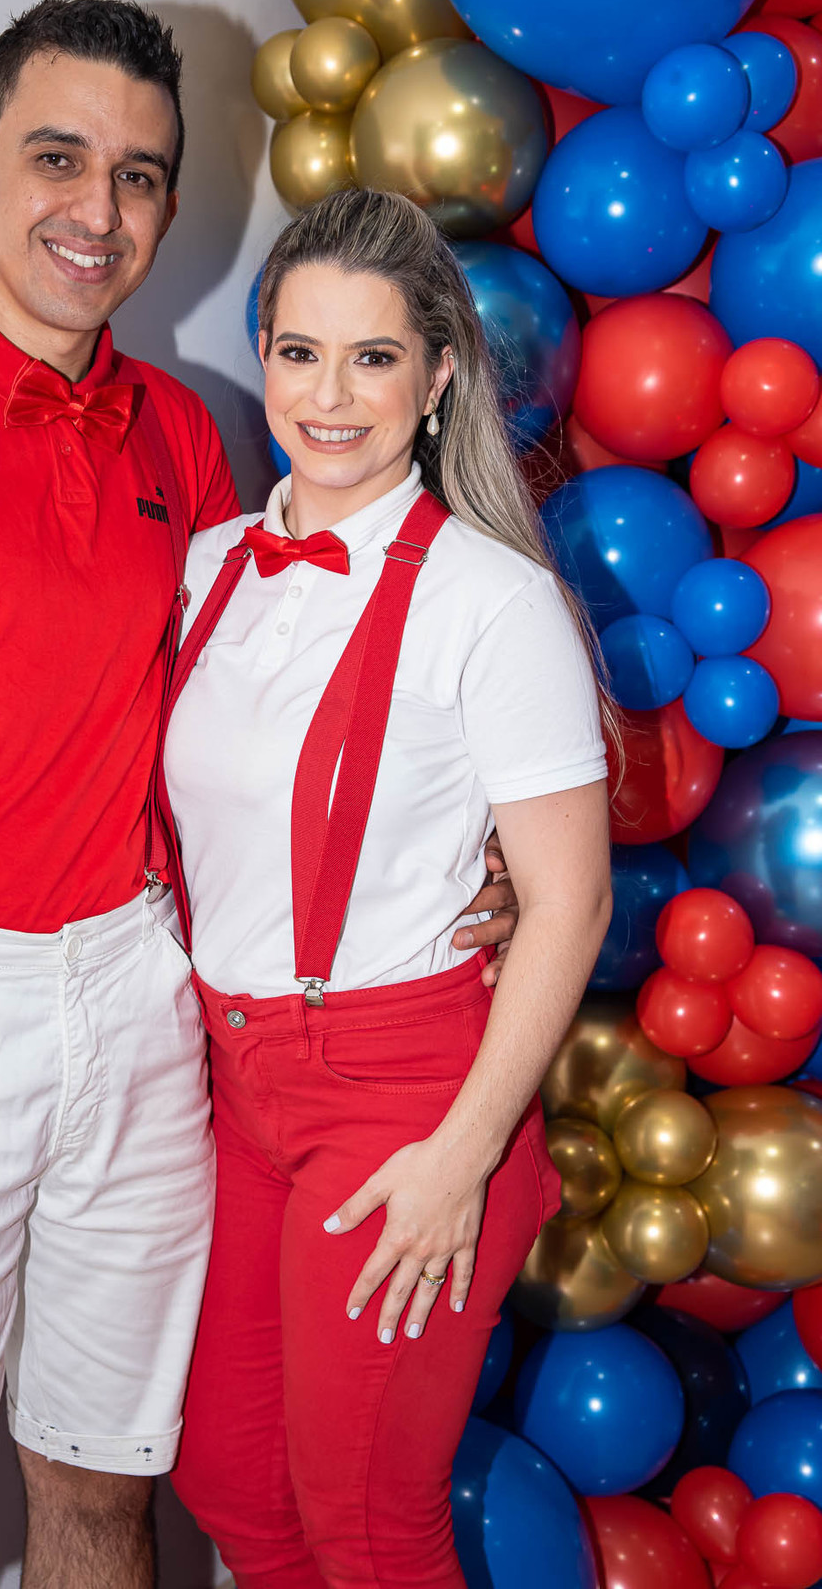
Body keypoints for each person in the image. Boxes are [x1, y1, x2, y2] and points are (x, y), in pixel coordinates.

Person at [0, 2, 519, 1589]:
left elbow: (283, 718)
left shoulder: (185, 433)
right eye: (57, 158)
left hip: (143, 998)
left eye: (138, 176)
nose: (98, 208)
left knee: (103, 1484)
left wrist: (465, 856)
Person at [160, 188, 614, 1589]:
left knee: (366, 1524)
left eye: (373, 358)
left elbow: (571, 903)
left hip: (404, 1096)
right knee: (231, 1479)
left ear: (437, 379)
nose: (329, 395)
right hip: (235, 1085)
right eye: (300, 353)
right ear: (264, 358)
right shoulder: (211, 568)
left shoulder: (495, 601)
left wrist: (462, 1156)